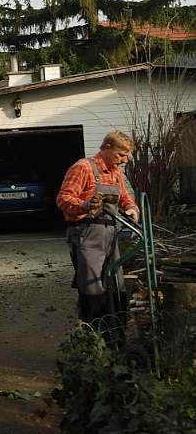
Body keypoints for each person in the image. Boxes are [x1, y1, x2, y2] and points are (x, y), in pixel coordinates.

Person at [56, 130, 139, 323]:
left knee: (115, 282)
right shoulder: (83, 167)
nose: (124, 160)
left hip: (111, 233)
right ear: (106, 148)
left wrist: (132, 208)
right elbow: (63, 199)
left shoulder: (115, 173)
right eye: (121, 154)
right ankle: (92, 331)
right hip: (87, 233)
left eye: (126, 155)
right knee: (91, 286)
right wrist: (85, 205)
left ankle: (115, 329)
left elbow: (125, 199)